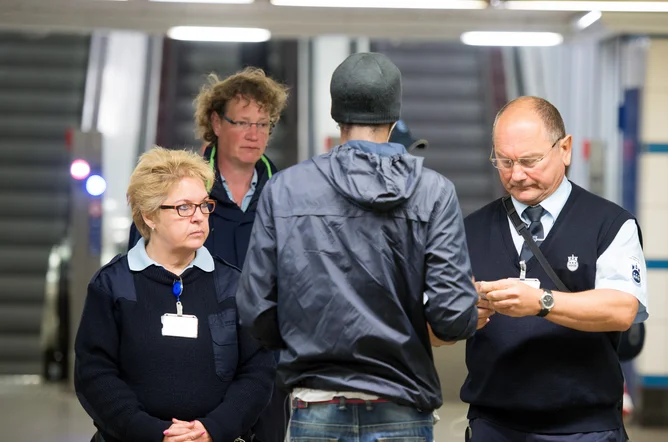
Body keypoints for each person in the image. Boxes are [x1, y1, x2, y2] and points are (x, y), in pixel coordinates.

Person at [235, 52, 480, 442]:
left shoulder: (285, 190)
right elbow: (452, 318)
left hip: (315, 406)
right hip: (402, 407)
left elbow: (254, 309)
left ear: (336, 114)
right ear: (395, 117)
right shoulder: (434, 193)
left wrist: (306, 335)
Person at [463, 96, 649, 442]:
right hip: (494, 425)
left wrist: (542, 303)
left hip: (586, 429)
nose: (517, 174)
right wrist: (459, 312)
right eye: (504, 162)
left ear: (565, 149)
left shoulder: (609, 224)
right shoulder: (471, 229)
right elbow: (433, 326)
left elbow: (624, 308)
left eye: (530, 161)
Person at [127, 68, 291, 442]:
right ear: (216, 122)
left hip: (264, 369)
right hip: (190, 365)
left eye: (264, 124)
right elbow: (139, 274)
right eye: (243, 122)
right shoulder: (177, 194)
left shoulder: (286, 195)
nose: (254, 134)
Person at [75, 147, 276, 442]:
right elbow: (95, 375)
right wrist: (154, 433)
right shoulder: (113, 284)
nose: (198, 218)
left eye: (204, 205)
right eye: (184, 207)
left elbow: (257, 371)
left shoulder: (232, 284)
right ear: (150, 215)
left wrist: (214, 428)